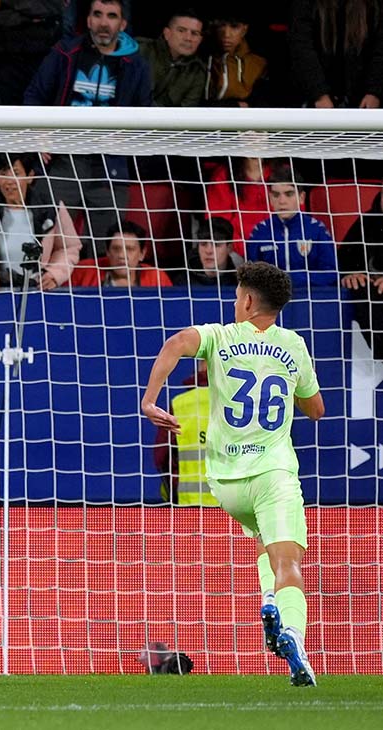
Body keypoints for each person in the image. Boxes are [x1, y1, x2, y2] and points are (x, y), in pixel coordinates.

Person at [142, 261, 325, 686]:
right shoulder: (293, 345)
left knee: (264, 542)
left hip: (225, 484)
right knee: (289, 561)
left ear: (245, 300)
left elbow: (175, 343)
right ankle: (294, 635)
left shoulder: (218, 337)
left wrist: (151, 401)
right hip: (272, 473)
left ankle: (269, 602)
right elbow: (317, 410)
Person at [24, 0, 152, 256]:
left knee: (105, 247)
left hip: (110, 163)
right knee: (47, 237)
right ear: (89, 20)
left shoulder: (135, 63)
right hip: (64, 158)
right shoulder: (64, 52)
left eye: (112, 16)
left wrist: (125, 138)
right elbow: (34, 95)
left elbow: (145, 112)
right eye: (98, 14)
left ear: (122, 24)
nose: (104, 23)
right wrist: (40, 135)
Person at [0, 152, 82, 291]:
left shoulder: (51, 208)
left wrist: (54, 274)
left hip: (39, 291)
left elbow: (68, 248)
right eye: (4, 174)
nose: (10, 180)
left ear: (30, 176)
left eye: (16, 173)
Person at [245, 167, 338, 288]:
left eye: (289, 194)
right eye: (276, 195)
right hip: (271, 302)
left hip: (309, 300)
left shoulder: (316, 230)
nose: (282, 201)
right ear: (270, 199)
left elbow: (331, 274)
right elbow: (250, 277)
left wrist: (291, 279)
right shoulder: (260, 232)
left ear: (301, 197)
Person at [288, 0, 383, 109]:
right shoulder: (305, 5)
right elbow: (301, 46)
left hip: (362, 99)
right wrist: (319, 94)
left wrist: (374, 92)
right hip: (314, 99)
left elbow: (380, 48)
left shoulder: (373, 5)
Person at [151, 360, 217, 505]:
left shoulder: (181, 404)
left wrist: (172, 492)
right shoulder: (244, 406)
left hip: (191, 506)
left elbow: (162, 457)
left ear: (201, 365)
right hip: (237, 508)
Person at [339, 189, 383, 360]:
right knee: (359, 286)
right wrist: (349, 273)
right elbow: (343, 257)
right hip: (370, 290)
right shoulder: (366, 221)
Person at [137, 9, 207, 107]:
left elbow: (187, 112)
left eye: (194, 33)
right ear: (167, 33)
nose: (188, 38)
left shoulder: (197, 70)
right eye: (181, 30)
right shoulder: (141, 51)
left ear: (200, 40)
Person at [70, 221, 173, 288]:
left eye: (130, 249)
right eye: (116, 248)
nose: (122, 255)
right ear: (107, 252)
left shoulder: (157, 278)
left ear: (142, 254)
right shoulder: (83, 271)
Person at [205, 9, 268, 106]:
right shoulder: (203, 58)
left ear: (244, 30)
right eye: (221, 25)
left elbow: (261, 104)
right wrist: (233, 105)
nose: (227, 34)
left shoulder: (258, 63)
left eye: (234, 27)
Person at [187, 217, 244, 287]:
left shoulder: (241, 284)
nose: (208, 251)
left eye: (216, 245)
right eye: (203, 244)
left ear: (229, 247)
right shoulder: (182, 282)